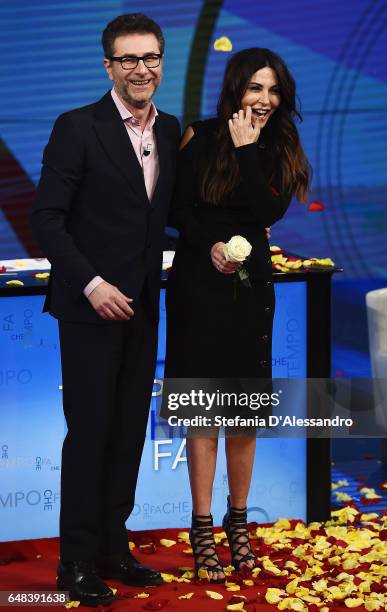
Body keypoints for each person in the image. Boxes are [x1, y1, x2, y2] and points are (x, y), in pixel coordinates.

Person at [31, 13, 180, 606]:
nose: (140, 69)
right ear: (109, 67)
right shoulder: (78, 127)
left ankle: (115, 549)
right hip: (89, 308)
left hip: (144, 306)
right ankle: (75, 564)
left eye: (150, 58)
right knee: (89, 435)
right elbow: (46, 218)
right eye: (128, 59)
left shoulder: (169, 131)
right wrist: (91, 283)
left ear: (162, 62)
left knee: (127, 435)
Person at [164, 48, 311, 583]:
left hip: (251, 294)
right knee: (203, 413)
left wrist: (249, 150)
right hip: (199, 287)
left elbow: (268, 212)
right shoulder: (198, 137)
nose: (265, 100)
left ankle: (238, 524)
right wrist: (211, 247)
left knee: (243, 414)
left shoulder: (280, 146)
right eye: (255, 89)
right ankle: (201, 526)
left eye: (273, 91)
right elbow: (179, 211)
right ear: (235, 90)